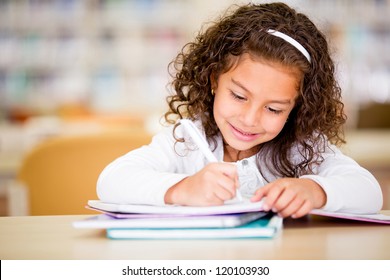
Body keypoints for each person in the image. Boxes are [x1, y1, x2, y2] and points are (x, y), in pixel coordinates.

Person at [97, 2, 383, 218]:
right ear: (213, 81)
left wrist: (315, 191)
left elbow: (369, 192)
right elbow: (111, 181)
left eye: (273, 108)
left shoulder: (303, 149)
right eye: (238, 96)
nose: (249, 119)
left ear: (297, 107)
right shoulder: (187, 140)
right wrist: (183, 188)